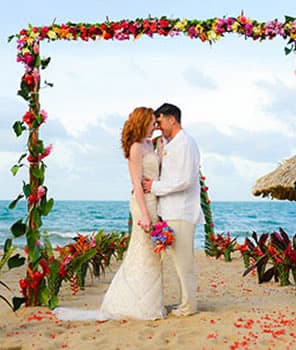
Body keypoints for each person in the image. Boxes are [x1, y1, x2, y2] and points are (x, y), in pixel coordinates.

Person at [54, 107, 166, 321]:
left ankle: (150, 302)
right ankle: (135, 304)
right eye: (152, 122)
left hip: (155, 201)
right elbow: (136, 183)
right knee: (141, 251)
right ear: (142, 122)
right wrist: (144, 214)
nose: (155, 126)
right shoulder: (135, 148)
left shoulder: (150, 143)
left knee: (152, 254)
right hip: (142, 203)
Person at [143, 103, 203, 317]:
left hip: (181, 210)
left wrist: (155, 187)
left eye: (159, 122)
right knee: (177, 262)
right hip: (169, 210)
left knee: (183, 262)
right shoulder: (171, 144)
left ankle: (188, 306)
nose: (158, 127)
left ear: (172, 119)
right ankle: (185, 302)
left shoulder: (185, 143)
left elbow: (185, 180)